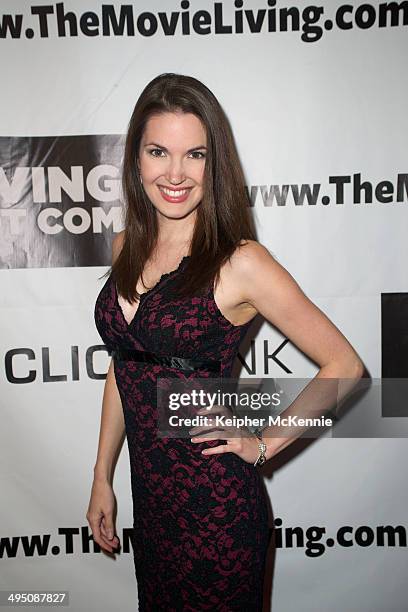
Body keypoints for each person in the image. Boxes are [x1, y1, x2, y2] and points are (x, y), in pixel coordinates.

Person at [87, 73, 364, 611]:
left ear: (215, 164)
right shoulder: (123, 246)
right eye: (157, 151)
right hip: (154, 508)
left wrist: (264, 444)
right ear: (135, 160)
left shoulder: (240, 262)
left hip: (216, 513)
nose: (175, 173)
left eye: (195, 154)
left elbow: (346, 367)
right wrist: (102, 475)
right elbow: (126, 367)